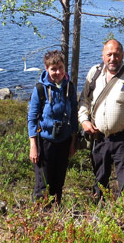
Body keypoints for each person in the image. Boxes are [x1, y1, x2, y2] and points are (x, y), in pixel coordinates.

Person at [78, 39, 124, 199]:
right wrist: (84, 120)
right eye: (109, 54)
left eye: (116, 54)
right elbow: (84, 101)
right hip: (99, 138)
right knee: (99, 181)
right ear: (103, 56)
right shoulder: (94, 73)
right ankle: (99, 214)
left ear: (122, 55)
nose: (112, 58)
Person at [27, 50, 78, 205]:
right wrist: (33, 146)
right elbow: (32, 119)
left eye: (60, 68)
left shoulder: (69, 87)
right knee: (43, 185)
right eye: (53, 69)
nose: (58, 72)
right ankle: (40, 217)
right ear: (46, 68)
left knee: (58, 183)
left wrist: (73, 142)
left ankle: (56, 216)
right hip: (45, 143)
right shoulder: (40, 89)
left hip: (64, 141)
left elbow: (74, 115)